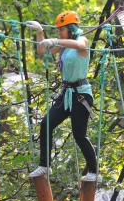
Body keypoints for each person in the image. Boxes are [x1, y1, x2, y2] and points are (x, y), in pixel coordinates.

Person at [26, 11, 100, 182]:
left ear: (71, 29)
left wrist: (55, 41)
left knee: (79, 135)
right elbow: (42, 51)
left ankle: (94, 172)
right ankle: (44, 165)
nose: (59, 33)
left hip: (80, 94)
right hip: (66, 94)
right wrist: (40, 33)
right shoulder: (66, 46)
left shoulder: (82, 41)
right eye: (58, 31)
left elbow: (80, 45)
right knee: (46, 124)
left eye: (61, 30)